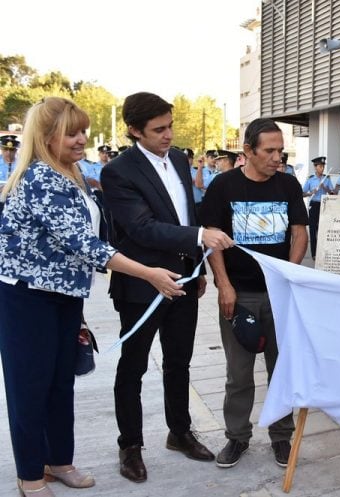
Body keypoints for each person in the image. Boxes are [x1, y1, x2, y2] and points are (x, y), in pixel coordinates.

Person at [0, 97, 187, 497]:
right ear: (46, 137)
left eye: (83, 130)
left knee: (59, 383)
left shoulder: (70, 173)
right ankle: (30, 474)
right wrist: (149, 273)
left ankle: (58, 460)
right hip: (27, 298)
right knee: (30, 387)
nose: (82, 139)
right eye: (72, 133)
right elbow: (86, 245)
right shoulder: (39, 179)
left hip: (64, 294)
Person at [100, 92, 235, 483]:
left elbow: (184, 213)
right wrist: (200, 236)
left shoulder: (177, 159)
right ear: (134, 130)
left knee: (179, 362)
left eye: (170, 126)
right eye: (158, 129)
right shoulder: (118, 172)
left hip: (185, 282)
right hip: (143, 284)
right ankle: (130, 446)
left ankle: (179, 432)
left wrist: (200, 268)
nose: (168, 135)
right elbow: (140, 227)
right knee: (134, 367)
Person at [199, 118, 309, 469]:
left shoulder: (288, 185)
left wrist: (287, 276)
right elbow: (212, 238)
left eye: (282, 151)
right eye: (270, 151)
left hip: (279, 296)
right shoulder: (223, 186)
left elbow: (300, 234)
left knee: (281, 369)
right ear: (248, 151)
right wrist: (224, 285)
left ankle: (281, 437)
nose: (278, 158)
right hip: (240, 295)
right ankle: (237, 438)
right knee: (239, 374)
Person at [303, 156, 334, 259]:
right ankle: (314, 254)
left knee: (323, 229)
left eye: (323, 166)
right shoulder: (311, 179)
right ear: (315, 167)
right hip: (313, 204)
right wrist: (311, 192)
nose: (322, 168)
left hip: (324, 205)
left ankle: (322, 253)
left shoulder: (327, 178)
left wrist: (324, 187)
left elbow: (332, 193)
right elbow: (302, 193)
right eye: (320, 166)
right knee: (312, 229)